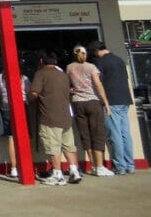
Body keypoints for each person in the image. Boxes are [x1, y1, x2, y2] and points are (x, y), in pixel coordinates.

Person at [31, 49, 83, 185]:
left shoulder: (41, 74)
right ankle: (74, 171)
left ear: (41, 61)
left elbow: (35, 92)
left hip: (49, 116)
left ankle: (58, 174)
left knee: (53, 146)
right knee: (69, 146)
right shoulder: (63, 75)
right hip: (66, 117)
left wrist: (29, 97)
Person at [89, 40, 135, 174]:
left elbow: (98, 83)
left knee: (114, 134)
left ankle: (120, 166)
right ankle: (129, 164)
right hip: (124, 99)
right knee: (125, 133)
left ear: (97, 51)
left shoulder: (100, 63)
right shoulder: (120, 60)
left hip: (111, 101)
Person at [66, 44, 113, 175]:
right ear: (85, 54)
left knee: (84, 134)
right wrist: (106, 103)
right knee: (97, 133)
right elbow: (98, 85)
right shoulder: (91, 67)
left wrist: (72, 90)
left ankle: (92, 164)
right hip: (93, 101)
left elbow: (68, 85)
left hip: (77, 102)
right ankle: (99, 166)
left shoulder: (69, 67)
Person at [0, 59, 30, 177]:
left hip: (6, 107)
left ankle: (13, 168)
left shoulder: (1, 77)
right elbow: (28, 91)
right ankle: (26, 165)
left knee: (11, 138)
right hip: (22, 106)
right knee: (24, 136)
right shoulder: (24, 77)